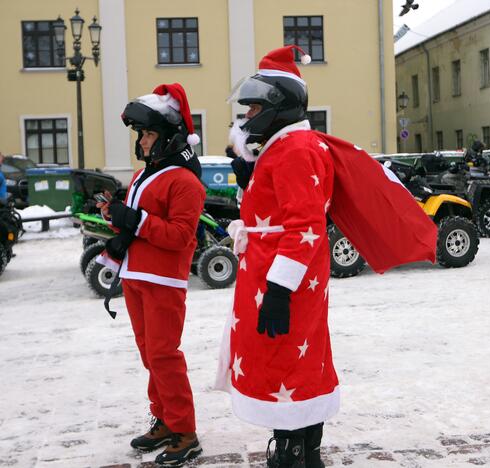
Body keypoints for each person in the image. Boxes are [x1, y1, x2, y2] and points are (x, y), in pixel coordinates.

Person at [216, 45, 334, 468]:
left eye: (251, 109)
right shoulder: (286, 145)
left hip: (283, 277)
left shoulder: (295, 150)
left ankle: (293, 453)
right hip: (277, 271)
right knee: (295, 361)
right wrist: (251, 176)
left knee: (287, 361)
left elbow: (305, 226)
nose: (246, 118)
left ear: (276, 106)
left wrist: (280, 288)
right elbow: (277, 207)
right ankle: (302, 449)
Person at [96, 83, 206, 466]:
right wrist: (117, 217)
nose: (141, 141)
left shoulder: (184, 181)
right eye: (141, 134)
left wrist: (135, 219)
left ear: (169, 138)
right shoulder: (148, 176)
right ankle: (163, 417)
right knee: (150, 355)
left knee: (164, 355)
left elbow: (180, 236)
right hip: (137, 276)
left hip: (163, 280)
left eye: (148, 133)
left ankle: (185, 431)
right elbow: (137, 225)